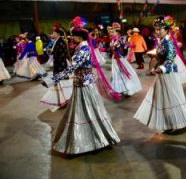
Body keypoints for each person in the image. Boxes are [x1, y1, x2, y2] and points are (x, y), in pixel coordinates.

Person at [41, 16, 120, 155]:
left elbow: (72, 67)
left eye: (73, 36)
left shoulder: (84, 50)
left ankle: (97, 140)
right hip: (80, 83)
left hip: (85, 85)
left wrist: (52, 80)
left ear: (79, 37)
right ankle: (88, 140)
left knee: (89, 112)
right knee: (82, 112)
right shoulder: (80, 48)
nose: (71, 38)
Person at [134, 16, 186, 132]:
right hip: (161, 74)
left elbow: (171, 59)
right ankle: (168, 123)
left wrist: (162, 68)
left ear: (167, 30)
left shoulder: (169, 42)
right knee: (162, 99)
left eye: (160, 29)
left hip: (168, 75)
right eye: (156, 29)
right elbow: (159, 56)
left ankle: (177, 124)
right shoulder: (161, 41)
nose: (157, 32)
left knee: (172, 98)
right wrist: (154, 63)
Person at [41, 23, 73, 111]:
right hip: (58, 65)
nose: (52, 34)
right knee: (59, 84)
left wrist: (53, 53)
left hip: (60, 66)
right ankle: (62, 101)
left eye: (54, 33)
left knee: (62, 84)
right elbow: (57, 52)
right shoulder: (57, 41)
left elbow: (61, 55)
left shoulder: (61, 41)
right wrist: (51, 51)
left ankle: (65, 101)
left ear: (58, 34)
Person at [110, 22, 142, 96]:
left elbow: (125, 45)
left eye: (113, 32)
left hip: (120, 59)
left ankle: (127, 89)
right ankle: (118, 89)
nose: (111, 33)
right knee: (116, 74)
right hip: (114, 59)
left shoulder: (121, 39)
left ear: (117, 32)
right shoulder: (113, 39)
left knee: (124, 73)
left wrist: (129, 45)